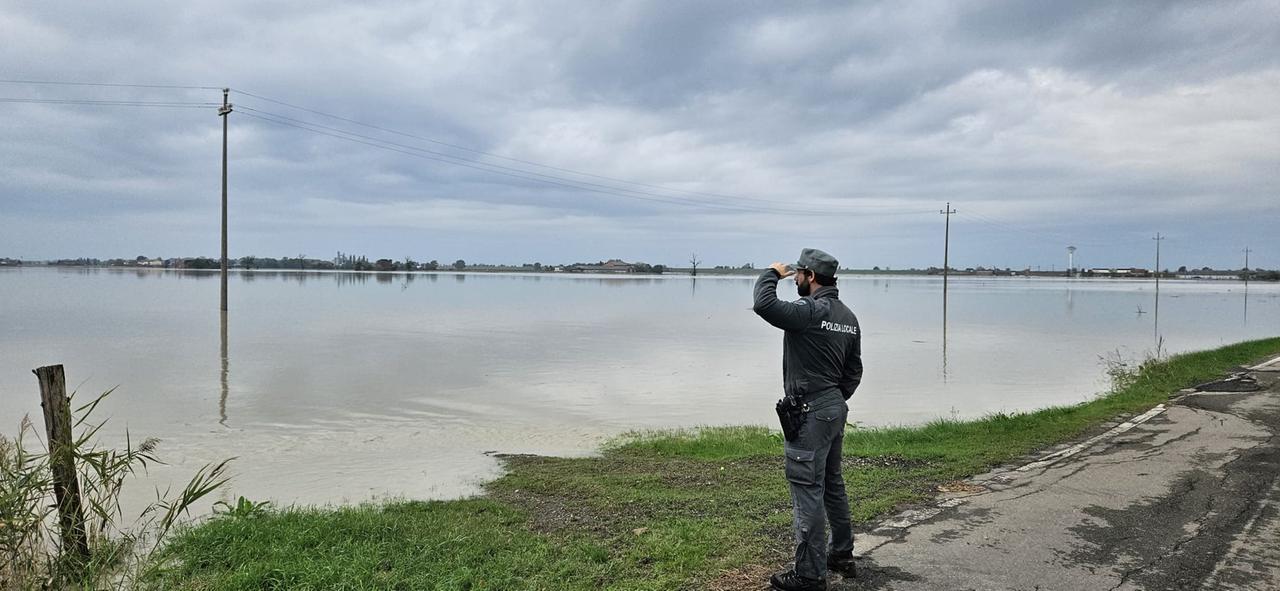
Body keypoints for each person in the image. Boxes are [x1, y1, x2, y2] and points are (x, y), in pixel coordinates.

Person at [753, 247, 863, 591]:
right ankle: (841, 554)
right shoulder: (848, 317)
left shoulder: (809, 310)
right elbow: (854, 371)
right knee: (832, 482)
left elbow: (764, 305)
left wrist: (771, 273)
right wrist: (832, 400)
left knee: (807, 490)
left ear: (810, 276)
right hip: (833, 407)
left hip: (810, 412)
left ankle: (809, 575)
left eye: (798, 274)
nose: (795, 278)